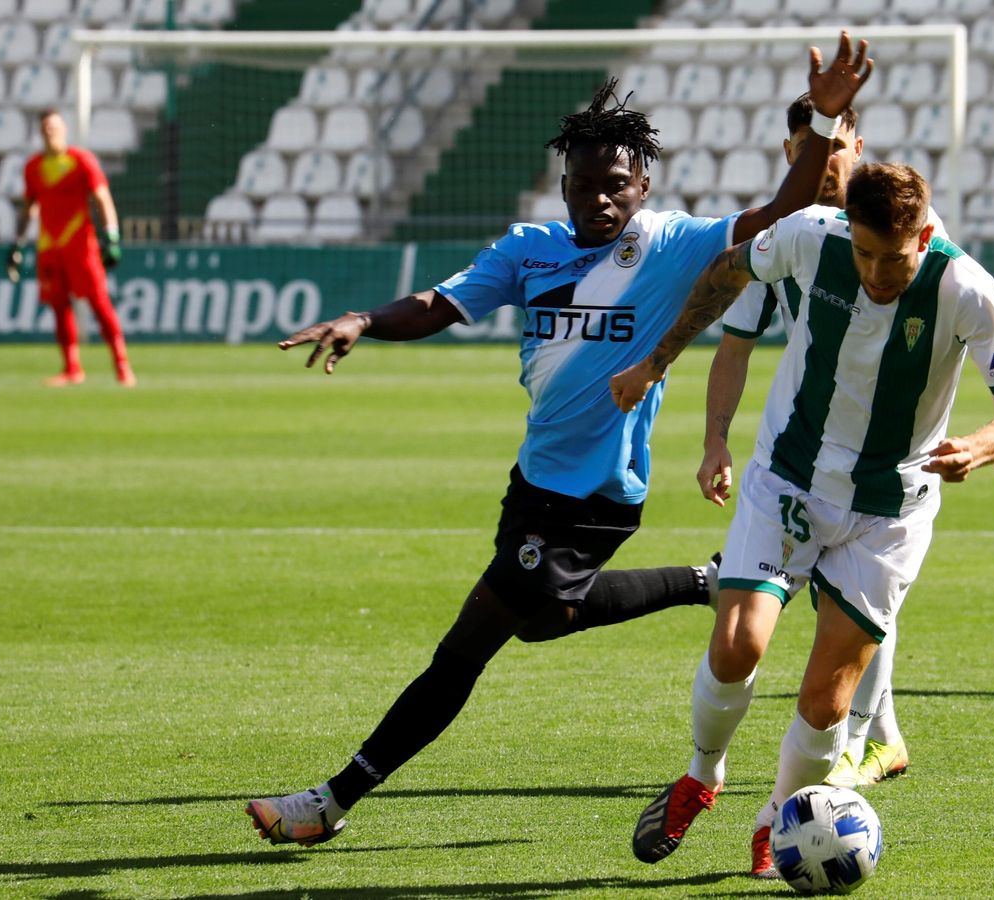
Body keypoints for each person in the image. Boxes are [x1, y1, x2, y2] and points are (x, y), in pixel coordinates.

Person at [244, 35, 873, 848]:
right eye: (583, 187)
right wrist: (367, 318)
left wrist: (822, 122)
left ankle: (330, 800)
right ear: (564, 187)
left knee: (463, 649)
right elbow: (440, 304)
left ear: (642, 186)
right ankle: (705, 580)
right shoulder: (529, 250)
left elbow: (782, 210)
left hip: (597, 497)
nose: (598, 202)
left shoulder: (673, 245)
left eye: (616, 187)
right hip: (533, 482)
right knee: (541, 621)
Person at [612, 162, 994, 877]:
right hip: (788, 477)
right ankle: (703, 775)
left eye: (896, 257)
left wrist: (981, 444)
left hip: (888, 511)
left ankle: (779, 817)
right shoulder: (809, 238)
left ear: (926, 235)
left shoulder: (965, 287)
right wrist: (658, 361)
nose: (880, 273)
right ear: (850, 232)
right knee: (737, 645)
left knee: (826, 700)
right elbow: (727, 272)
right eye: (867, 254)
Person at [702, 94, 994, 791]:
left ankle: (853, 747)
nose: (822, 166)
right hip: (801, 459)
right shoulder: (799, 236)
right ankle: (852, 742)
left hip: (886, 483)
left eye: (833, 149)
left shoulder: (953, 279)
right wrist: (714, 440)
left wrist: (992, 438)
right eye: (806, 153)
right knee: (762, 637)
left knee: (843, 633)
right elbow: (733, 339)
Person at [9, 109, 133, 387]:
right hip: (49, 246)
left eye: (54, 127)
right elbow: (29, 209)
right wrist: (16, 244)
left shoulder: (81, 161)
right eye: (45, 128)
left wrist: (112, 237)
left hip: (80, 245)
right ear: (40, 133)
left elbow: (102, 198)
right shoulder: (33, 167)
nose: (50, 132)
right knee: (58, 306)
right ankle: (72, 368)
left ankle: (122, 366)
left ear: (64, 129)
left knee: (99, 303)